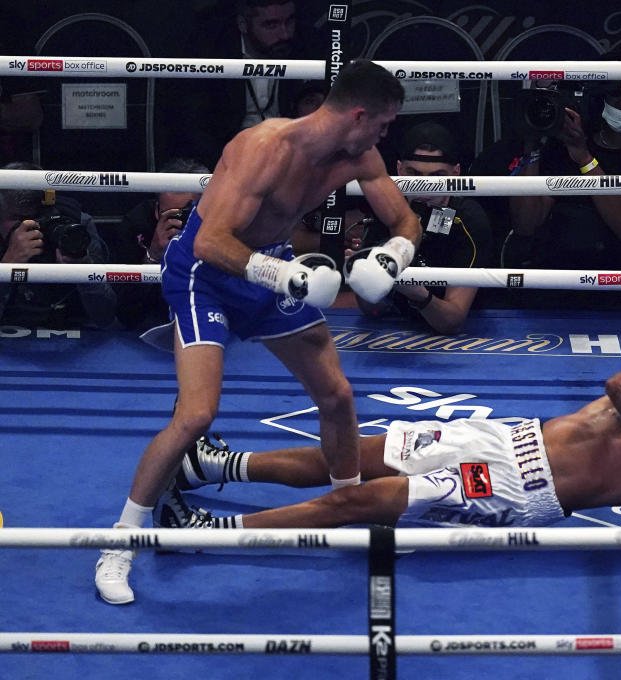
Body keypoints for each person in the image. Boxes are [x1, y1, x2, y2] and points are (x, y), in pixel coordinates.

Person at [94, 59, 422, 605]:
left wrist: (393, 256)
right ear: (359, 114)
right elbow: (209, 243)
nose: (386, 135)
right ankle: (120, 544)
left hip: (269, 272)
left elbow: (405, 220)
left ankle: (350, 510)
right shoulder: (262, 148)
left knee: (337, 395)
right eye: (383, 124)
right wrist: (287, 275)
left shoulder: (360, 154)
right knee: (196, 414)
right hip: (207, 276)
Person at [159, 317, 621, 530]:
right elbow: (620, 386)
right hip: (501, 436)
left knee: (361, 502)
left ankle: (216, 528)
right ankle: (214, 465)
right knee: (351, 456)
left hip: (518, 488)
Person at [506, 50, 621, 310]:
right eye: (619, 85)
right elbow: (526, 224)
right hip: (555, 287)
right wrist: (533, 143)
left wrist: (584, 158)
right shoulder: (564, 145)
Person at [350, 121, 494, 334]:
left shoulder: (469, 220)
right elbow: (373, 311)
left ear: (455, 174)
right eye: (414, 174)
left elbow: (452, 321)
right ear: (399, 169)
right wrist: (364, 279)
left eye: (437, 176)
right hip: (396, 329)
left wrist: (416, 292)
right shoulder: (386, 209)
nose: (424, 185)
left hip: (464, 335)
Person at [159, 0, 312, 170]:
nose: (284, 34)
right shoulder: (211, 50)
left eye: (289, 21)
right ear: (243, 24)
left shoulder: (305, 44)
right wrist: (228, 167)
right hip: (226, 158)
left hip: (290, 156)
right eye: (271, 25)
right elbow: (192, 124)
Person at [0, 162, 117, 329]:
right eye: (17, 220)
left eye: (37, 217)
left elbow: (105, 318)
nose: (28, 229)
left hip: (73, 331)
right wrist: (7, 267)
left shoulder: (75, 225)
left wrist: (84, 271)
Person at [103, 158, 209, 332]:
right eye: (169, 213)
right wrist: (153, 254)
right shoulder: (136, 224)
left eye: (186, 213)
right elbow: (124, 310)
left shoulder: (221, 222)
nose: (178, 220)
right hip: (151, 320)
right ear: (156, 207)